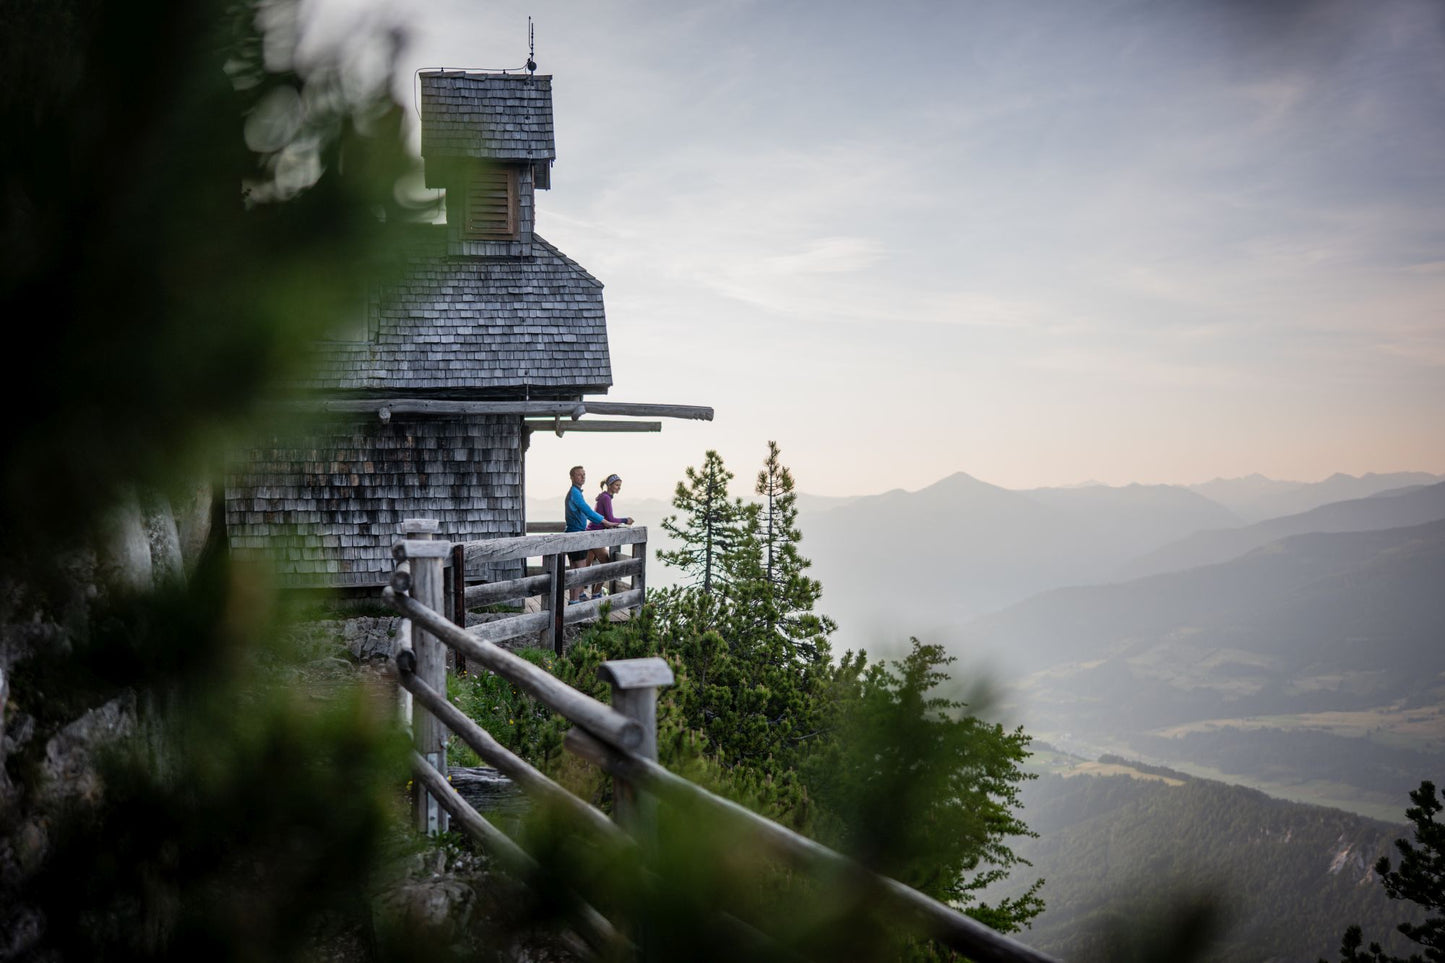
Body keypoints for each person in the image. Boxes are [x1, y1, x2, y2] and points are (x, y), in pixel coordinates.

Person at [564, 466, 618, 602]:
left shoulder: (576, 492)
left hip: (573, 535)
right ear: (571, 477)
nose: (582, 477)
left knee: (575, 571)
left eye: (584, 474)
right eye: (579, 475)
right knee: (579, 573)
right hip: (576, 535)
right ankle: (575, 604)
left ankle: (574, 601)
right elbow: (588, 511)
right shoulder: (575, 493)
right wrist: (606, 522)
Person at [586, 474, 633, 596]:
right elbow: (610, 518)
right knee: (607, 565)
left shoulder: (604, 497)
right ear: (609, 485)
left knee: (584, 567)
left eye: (620, 486)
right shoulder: (606, 498)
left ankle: (580, 594)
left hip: (590, 533)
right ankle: (596, 593)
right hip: (596, 536)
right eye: (617, 485)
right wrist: (625, 520)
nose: (619, 488)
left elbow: (607, 519)